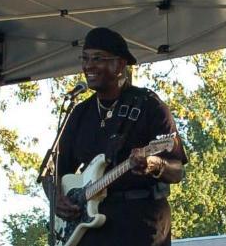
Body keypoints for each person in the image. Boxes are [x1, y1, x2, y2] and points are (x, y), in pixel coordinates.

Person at [52, 27, 188, 246]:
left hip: (141, 225)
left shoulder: (149, 106)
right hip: (89, 227)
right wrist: (58, 198)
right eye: (85, 59)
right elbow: (57, 169)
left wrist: (154, 164)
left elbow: (177, 170)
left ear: (120, 64)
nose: (88, 66)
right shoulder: (80, 113)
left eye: (98, 59)